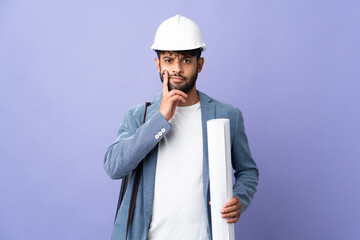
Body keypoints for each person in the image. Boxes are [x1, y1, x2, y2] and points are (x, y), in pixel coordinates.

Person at [104, 14, 258, 240]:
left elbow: (248, 171)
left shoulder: (228, 115)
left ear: (200, 64)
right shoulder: (139, 115)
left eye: (186, 60)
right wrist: (161, 118)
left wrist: (240, 198)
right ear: (157, 64)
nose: (176, 68)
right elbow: (114, 167)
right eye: (168, 60)